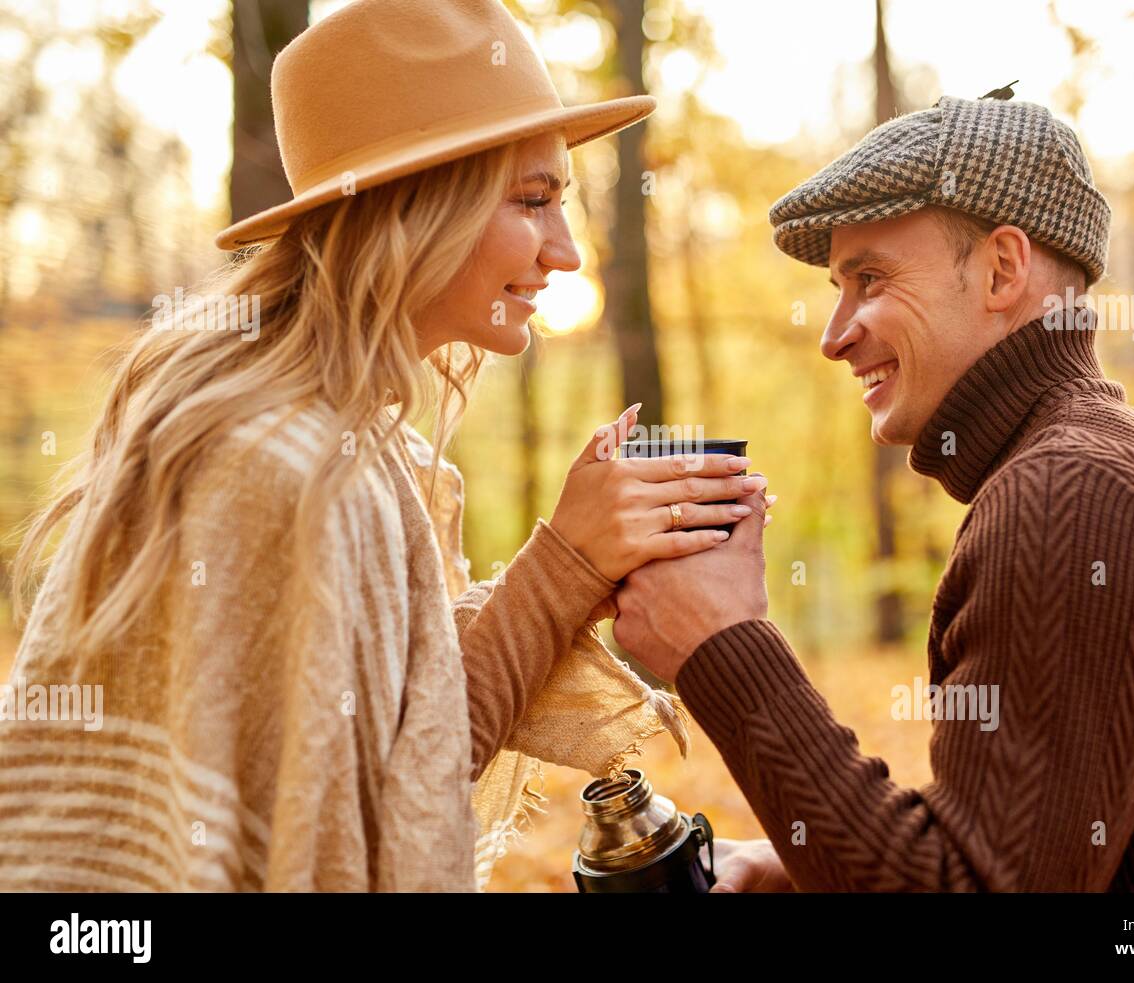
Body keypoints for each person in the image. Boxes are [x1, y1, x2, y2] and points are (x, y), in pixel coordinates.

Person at [0, 0, 763, 892]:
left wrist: (574, 565)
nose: (566, 252)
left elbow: (396, 764)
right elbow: (347, 836)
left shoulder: (361, 450)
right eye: (533, 200)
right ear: (412, 206)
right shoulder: (282, 465)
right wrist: (561, 563)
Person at [613, 91, 1134, 891]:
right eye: (838, 286)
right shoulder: (1113, 463)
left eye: (869, 278)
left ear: (1002, 269)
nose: (834, 336)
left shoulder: (1071, 497)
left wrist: (718, 641)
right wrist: (798, 867)